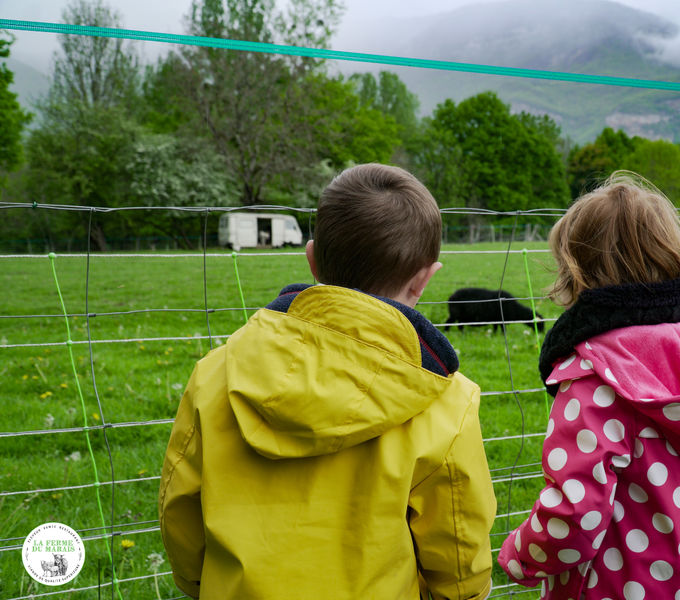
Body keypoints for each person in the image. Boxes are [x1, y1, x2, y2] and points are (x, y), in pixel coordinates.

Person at [159, 163, 496, 600]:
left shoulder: (215, 373)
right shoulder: (447, 402)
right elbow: (457, 539)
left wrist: (202, 583)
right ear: (425, 278)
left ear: (313, 257)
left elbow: (179, 507)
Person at [498, 171, 680, 599]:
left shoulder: (594, 375)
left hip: (625, 584)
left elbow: (575, 512)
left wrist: (521, 554)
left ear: (575, 271)